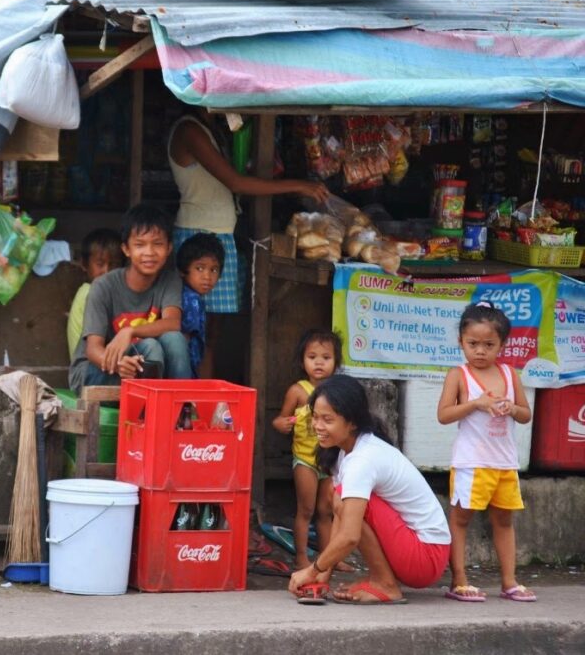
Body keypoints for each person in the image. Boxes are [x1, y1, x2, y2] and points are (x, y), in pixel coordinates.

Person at [288, 375, 451, 605]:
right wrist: (322, 578)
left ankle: (385, 584)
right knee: (340, 497)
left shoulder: (362, 459)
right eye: (315, 417)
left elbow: (350, 535)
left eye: (327, 419)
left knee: (347, 501)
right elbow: (339, 512)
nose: (318, 426)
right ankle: (381, 579)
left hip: (426, 557)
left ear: (352, 422)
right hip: (421, 552)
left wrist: (311, 571)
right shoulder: (348, 450)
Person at [168, 111, 329, 317]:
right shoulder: (189, 130)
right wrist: (298, 186)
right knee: (197, 321)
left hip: (218, 233)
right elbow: (236, 183)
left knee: (215, 325)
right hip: (199, 234)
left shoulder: (211, 128)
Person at [436, 302, 535, 603]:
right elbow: (444, 415)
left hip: (505, 462)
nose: (480, 351)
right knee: (461, 518)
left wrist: (511, 407)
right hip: (471, 462)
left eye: (489, 345)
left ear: (502, 345)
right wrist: (476, 404)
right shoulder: (459, 375)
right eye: (473, 344)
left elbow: (525, 414)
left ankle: (509, 582)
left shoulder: (509, 373)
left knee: (504, 521)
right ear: (461, 342)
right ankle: (459, 580)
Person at [68, 204, 191, 394]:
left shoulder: (169, 279)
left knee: (174, 340)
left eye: (157, 244)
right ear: (126, 249)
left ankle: (183, 407)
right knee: (150, 347)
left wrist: (130, 331)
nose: (149, 252)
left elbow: (173, 323)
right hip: (96, 370)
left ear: (169, 248)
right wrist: (119, 365)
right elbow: (93, 350)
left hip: (141, 365)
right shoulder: (103, 285)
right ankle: (150, 415)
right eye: (140, 244)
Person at [272, 330, 353, 573]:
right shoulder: (297, 391)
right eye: (312, 356)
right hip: (305, 460)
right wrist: (283, 424)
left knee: (326, 512)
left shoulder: (337, 393)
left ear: (336, 363)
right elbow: (279, 420)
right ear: (302, 361)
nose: (319, 362)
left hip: (329, 461)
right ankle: (300, 558)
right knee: (305, 510)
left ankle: (330, 559)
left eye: (326, 358)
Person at [66, 228, 123, 360]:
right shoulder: (90, 293)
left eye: (114, 265)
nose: (107, 271)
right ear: (84, 264)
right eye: (100, 264)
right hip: (90, 367)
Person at [175, 232, 224, 378]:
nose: (207, 277)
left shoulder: (191, 296)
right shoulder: (191, 299)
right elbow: (184, 339)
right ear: (184, 270)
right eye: (200, 268)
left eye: (213, 270)